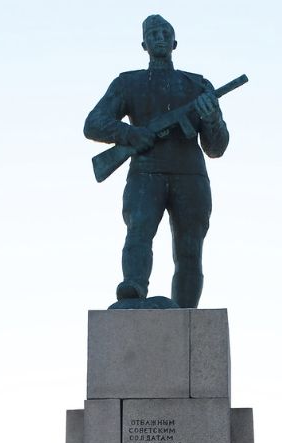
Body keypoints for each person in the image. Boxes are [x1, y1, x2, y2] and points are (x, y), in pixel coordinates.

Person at [84, 14, 230, 309]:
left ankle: (187, 313)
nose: (159, 38)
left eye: (165, 33)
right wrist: (132, 134)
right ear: (144, 44)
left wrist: (212, 117)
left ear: (175, 42)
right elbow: (94, 123)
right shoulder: (128, 82)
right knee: (138, 232)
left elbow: (216, 147)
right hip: (145, 172)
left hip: (190, 175)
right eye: (153, 34)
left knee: (190, 250)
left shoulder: (198, 85)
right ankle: (134, 288)